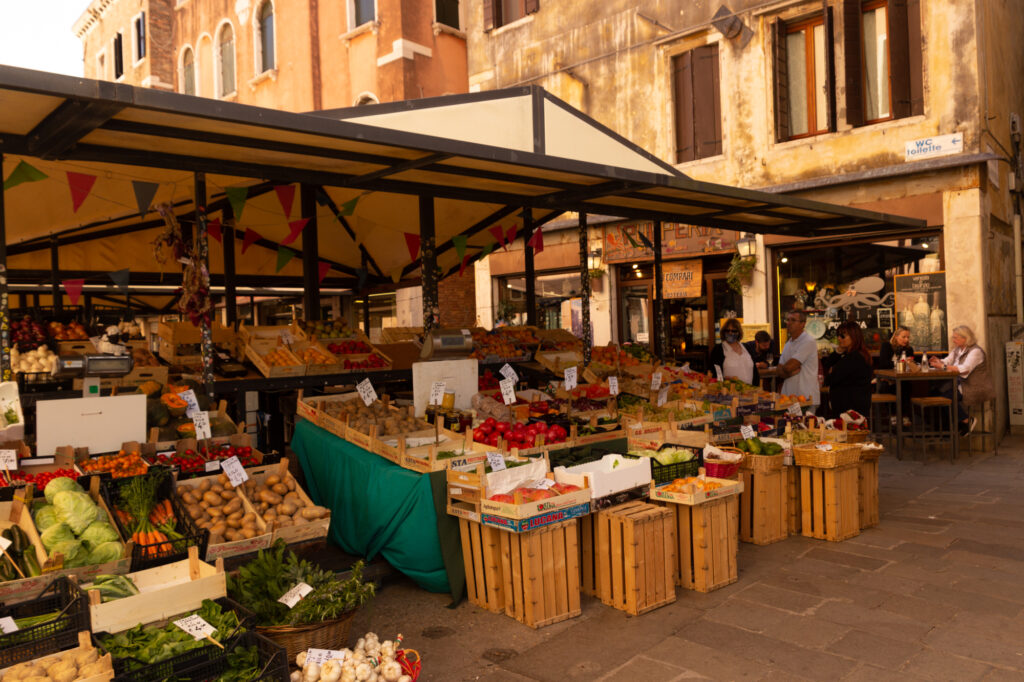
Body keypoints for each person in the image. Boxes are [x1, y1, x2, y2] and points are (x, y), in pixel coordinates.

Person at [928, 325, 996, 435]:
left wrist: (942, 367)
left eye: (956, 338)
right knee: (934, 392)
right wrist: (938, 361)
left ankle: (966, 421)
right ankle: (944, 429)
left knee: (946, 397)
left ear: (965, 338)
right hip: (959, 384)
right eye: (953, 337)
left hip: (973, 386)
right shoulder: (957, 350)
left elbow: (964, 369)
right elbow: (947, 361)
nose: (953, 340)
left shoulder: (975, 352)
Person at [821, 321, 874, 418]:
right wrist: (838, 351)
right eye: (838, 335)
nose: (839, 338)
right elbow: (828, 365)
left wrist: (832, 371)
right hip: (850, 406)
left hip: (850, 409)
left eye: (842, 336)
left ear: (854, 337)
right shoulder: (852, 355)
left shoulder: (854, 357)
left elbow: (830, 379)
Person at [777, 310, 821, 411]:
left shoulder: (808, 341)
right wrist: (789, 372)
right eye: (787, 320)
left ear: (803, 324)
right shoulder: (788, 343)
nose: (789, 323)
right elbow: (779, 370)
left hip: (805, 398)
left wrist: (787, 370)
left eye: (793, 320)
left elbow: (788, 367)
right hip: (789, 398)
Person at [709, 318, 759, 385]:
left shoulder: (747, 348)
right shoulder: (718, 350)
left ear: (739, 332)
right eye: (727, 330)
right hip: (729, 393)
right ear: (723, 332)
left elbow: (755, 372)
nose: (730, 333)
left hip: (750, 392)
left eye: (734, 331)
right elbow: (714, 374)